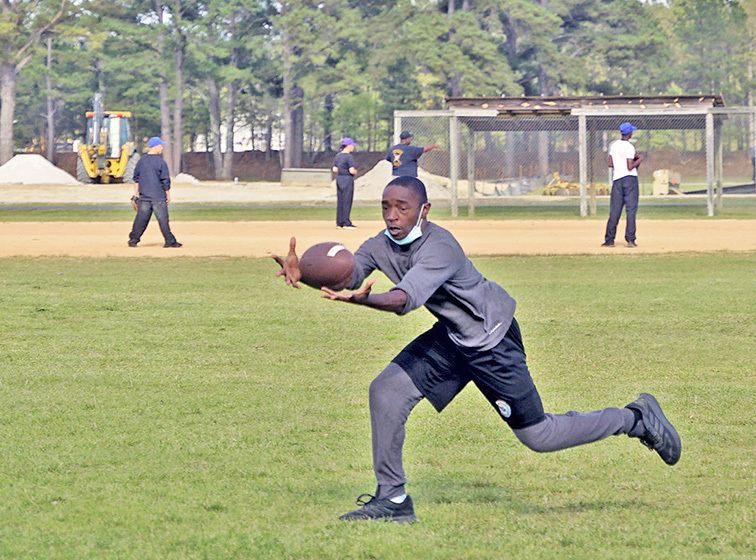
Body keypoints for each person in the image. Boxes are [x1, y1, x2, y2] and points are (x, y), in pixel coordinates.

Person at [273, 175, 681, 523]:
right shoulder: (381, 244)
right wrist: (304, 272)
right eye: (385, 207)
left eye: (402, 208)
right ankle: (393, 500)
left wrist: (365, 300)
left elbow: (402, 300)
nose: (392, 216)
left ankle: (633, 418)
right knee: (386, 390)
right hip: (453, 337)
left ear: (424, 210)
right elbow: (351, 274)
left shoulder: (440, 247)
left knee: (539, 436)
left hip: (492, 340)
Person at [128, 137, 182, 248]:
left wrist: (136, 194)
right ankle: (169, 241)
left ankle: (133, 240)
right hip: (158, 196)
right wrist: (167, 194)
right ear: (155, 147)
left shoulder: (141, 161)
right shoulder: (160, 162)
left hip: (144, 196)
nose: (162, 148)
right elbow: (165, 179)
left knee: (141, 220)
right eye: (161, 146)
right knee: (163, 220)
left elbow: (136, 179)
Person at [603, 122, 645, 248]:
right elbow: (630, 166)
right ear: (629, 133)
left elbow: (610, 164)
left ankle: (609, 239)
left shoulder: (614, 145)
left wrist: (620, 164)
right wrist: (640, 159)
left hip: (617, 179)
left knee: (615, 210)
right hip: (630, 179)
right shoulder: (629, 147)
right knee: (631, 210)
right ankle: (630, 239)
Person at [332, 137, 358, 229]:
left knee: (340, 201)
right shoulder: (349, 157)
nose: (353, 147)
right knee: (347, 201)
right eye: (352, 145)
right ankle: (346, 223)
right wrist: (355, 172)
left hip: (339, 178)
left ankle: (339, 222)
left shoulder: (338, 156)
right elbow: (352, 170)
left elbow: (335, 169)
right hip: (347, 179)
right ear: (348, 146)